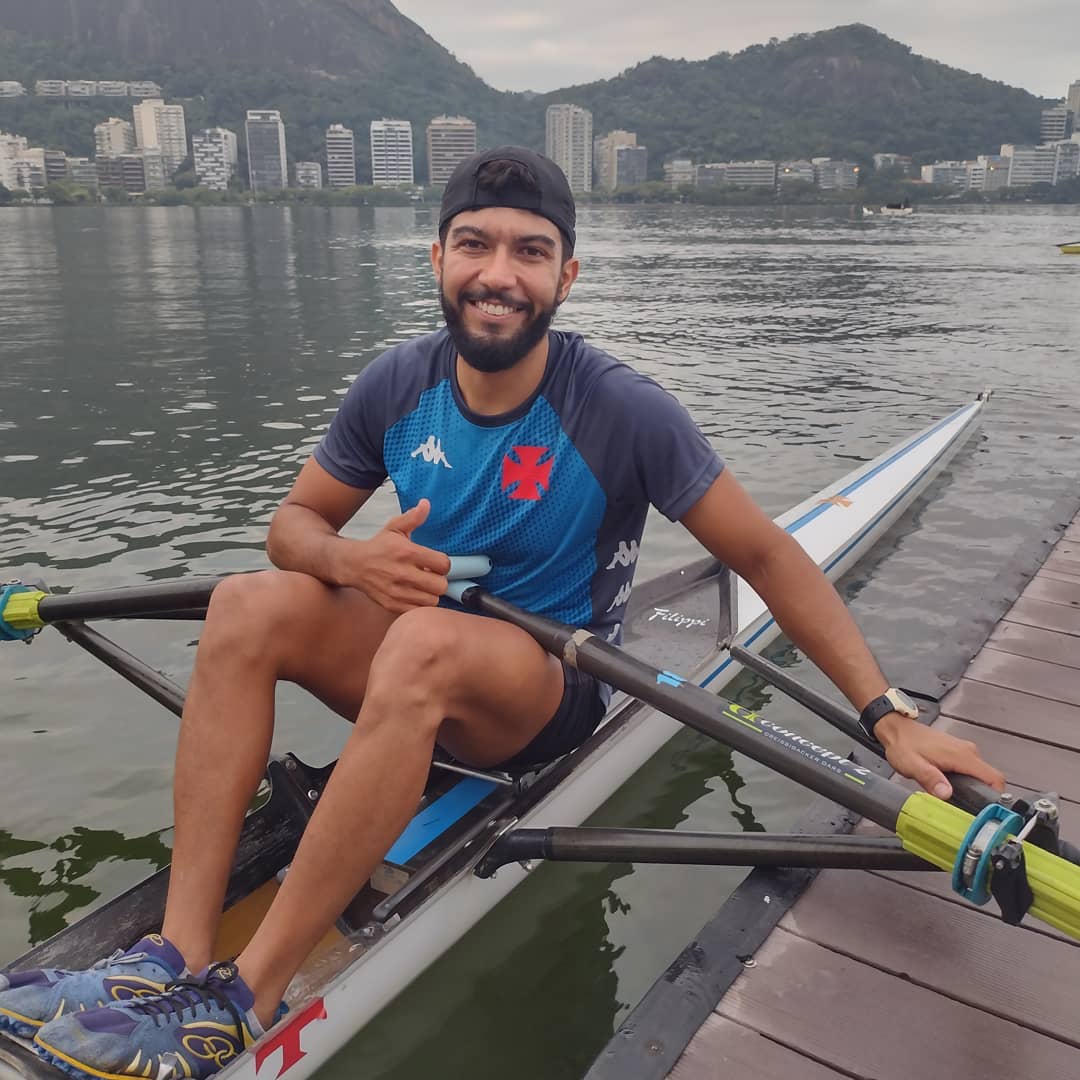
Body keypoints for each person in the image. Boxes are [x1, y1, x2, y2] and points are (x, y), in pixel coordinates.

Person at [0, 147, 1005, 1079]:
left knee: (424, 644)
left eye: (530, 252)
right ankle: (173, 952)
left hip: (547, 693)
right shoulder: (397, 383)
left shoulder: (621, 408)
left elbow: (766, 554)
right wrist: (350, 559)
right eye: (476, 244)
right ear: (438, 259)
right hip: (419, 659)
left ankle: (243, 1000)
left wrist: (887, 716)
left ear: (566, 278)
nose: (499, 273)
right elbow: (292, 526)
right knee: (245, 604)